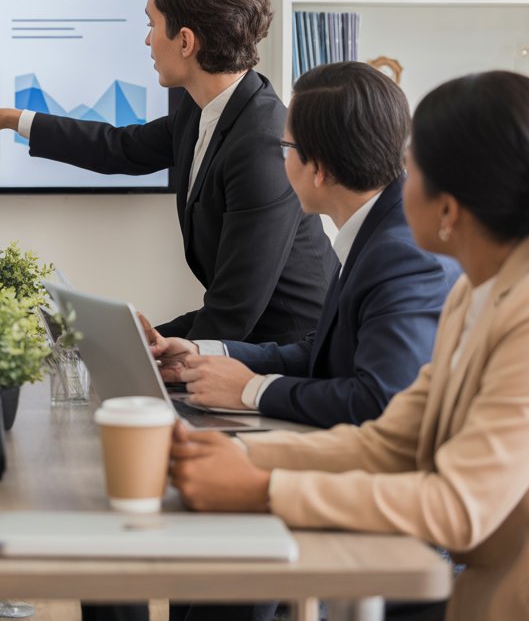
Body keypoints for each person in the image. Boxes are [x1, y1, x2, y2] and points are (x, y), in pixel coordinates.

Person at [170, 71, 529, 621]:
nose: (396, 177)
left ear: (450, 208)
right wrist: (238, 456)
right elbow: (392, 441)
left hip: (522, 602)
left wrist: (265, 490)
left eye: (413, 167)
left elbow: (459, 507)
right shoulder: (482, 287)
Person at [0, 0, 335, 345]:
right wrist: (11, 119)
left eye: (151, 24)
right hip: (248, 337)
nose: (148, 41)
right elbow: (120, 148)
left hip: (291, 356)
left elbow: (233, 313)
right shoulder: (205, 110)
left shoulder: (262, 145)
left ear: (185, 41)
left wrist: (141, 352)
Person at [149, 62, 460, 428]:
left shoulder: (402, 255)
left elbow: (382, 401)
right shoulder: (378, 228)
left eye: (286, 147)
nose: (281, 162)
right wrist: (203, 352)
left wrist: (253, 390)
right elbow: (320, 353)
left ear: (320, 169)